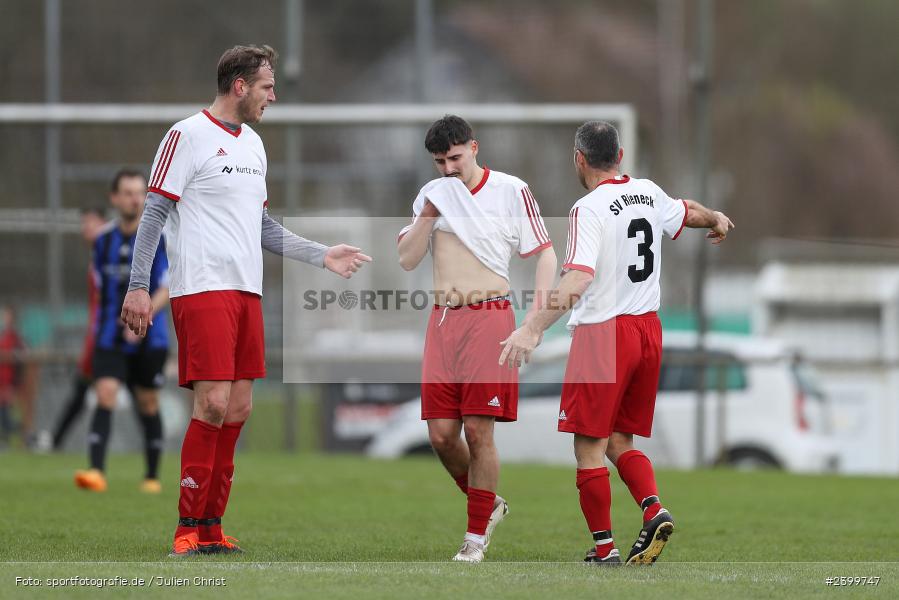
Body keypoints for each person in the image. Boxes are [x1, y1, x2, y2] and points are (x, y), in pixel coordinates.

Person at [120, 44, 371, 558]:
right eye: (266, 86)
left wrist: (321, 255)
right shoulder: (186, 136)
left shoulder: (255, 145)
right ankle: (186, 527)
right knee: (210, 403)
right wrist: (138, 286)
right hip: (202, 289)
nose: (272, 96)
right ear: (239, 86)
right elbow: (153, 215)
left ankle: (212, 527)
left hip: (246, 293)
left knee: (237, 407)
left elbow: (261, 228)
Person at [499, 121, 734, 566]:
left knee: (588, 448)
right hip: (648, 331)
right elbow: (687, 211)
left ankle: (604, 551)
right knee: (618, 442)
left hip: (604, 335)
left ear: (579, 159)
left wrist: (532, 327)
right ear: (621, 156)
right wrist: (717, 216)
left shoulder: (587, 208)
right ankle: (653, 509)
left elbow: (580, 277)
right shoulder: (647, 192)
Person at [397, 115, 557, 563]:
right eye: (438, 161)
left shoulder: (511, 190)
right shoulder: (431, 195)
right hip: (444, 322)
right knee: (442, 435)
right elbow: (408, 259)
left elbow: (545, 254)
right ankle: (488, 504)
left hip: (490, 317)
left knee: (477, 429)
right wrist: (428, 215)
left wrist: (534, 321)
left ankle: (474, 538)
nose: (448, 168)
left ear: (474, 147)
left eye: (455, 157)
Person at [74, 170, 170, 494]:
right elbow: (98, 289)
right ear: (114, 198)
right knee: (105, 393)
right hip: (110, 336)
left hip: (150, 335)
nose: (133, 199)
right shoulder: (102, 241)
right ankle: (96, 472)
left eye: (139, 192)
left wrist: (142, 316)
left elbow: (167, 287)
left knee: (148, 402)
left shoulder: (161, 237)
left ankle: (152, 476)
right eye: (126, 193)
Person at [51, 207, 107, 451]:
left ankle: (56, 440)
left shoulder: (112, 249)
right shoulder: (98, 253)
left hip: (110, 336)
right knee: (83, 388)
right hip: (99, 334)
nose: (85, 228)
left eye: (90, 222)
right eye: (84, 223)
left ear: (102, 222)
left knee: (139, 396)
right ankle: (55, 440)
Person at [0, 305, 25, 447]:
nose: (5, 319)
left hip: (9, 381)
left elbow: (20, 363)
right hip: (1, 380)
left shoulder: (16, 339)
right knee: (3, 411)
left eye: (8, 316)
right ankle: (8, 437)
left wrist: (14, 383)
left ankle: (16, 435)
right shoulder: (3, 336)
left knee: (7, 410)